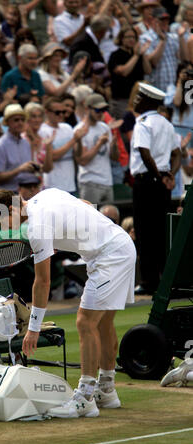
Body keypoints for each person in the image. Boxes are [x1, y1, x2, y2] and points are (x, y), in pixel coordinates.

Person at [0, 187, 136, 417]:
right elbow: (84, 204)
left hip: (109, 256)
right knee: (103, 324)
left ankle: (85, 398)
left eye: (2, 220)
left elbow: (43, 282)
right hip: (119, 245)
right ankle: (106, 390)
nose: (3, 227)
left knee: (85, 322)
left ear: (13, 209)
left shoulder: (37, 228)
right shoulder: (48, 194)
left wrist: (33, 329)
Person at [130, 82, 181, 296]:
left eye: (139, 98)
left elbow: (144, 152)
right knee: (161, 232)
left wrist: (159, 175)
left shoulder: (143, 123)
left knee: (145, 232)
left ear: (148, 101)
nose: (136, 101)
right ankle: (165, 279)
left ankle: (150, 281)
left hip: (146, 182)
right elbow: (177, 153)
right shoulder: (167, 124)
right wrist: (170, 174)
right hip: (163, 185)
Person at [74, 93, 118, 204]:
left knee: (108, 219)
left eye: (104, 110)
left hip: (107, 181)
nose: (101, 113)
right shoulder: (79, 129)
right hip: (90, 182)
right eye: (98, 110)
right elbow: (82, 161)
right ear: (87, 109)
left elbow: (114, 158)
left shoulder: (104, 127)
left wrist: (114, 145)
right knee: (90, 219)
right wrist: (99, 144)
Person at [38, 96, 87, 194]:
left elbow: (77, 155)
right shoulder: (42, 131)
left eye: (63, 112)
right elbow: (52, 156)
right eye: (57, 112)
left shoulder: (67, 127)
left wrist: (79, 141)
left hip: (70, 185)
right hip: (52, 186)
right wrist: (74, 140)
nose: (61, 115)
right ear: (47, 112)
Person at [0, 103, 40, 192]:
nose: (20, 123)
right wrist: (19, 170)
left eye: (22, 120)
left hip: (24, 193)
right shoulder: (0, 146)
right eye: (16, 120)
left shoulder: (25, 143)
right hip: (8, 194)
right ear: (7, 122)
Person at [140, 7, 188, 93]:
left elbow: (184, 59)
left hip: (172, 89)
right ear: (153, 20)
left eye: (167, 20)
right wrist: (162, 41)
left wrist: (181, 38)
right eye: (162, 20)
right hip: (154, 89)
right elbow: (154, 62)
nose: (165, 23)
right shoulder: (145, 38)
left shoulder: (173, 37)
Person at [108, 26, 152, 119]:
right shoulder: (115, 55)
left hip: (138, 99)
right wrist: (136, 56)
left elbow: (148, 71)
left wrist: (143, 55)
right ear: (121, 39)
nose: (131, 39)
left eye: (134, 37)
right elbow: (124, 72)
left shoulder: (138, 55)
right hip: (122, 100)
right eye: (128, 37)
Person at [23, 102, 54, 173]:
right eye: (33, 116)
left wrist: (49, 147)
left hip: (40, 182)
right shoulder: (22, 138)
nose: (37, 120)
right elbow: (28, 165)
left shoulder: (43, 139)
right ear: (27, 118)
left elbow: (48, 169)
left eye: (40, 116)